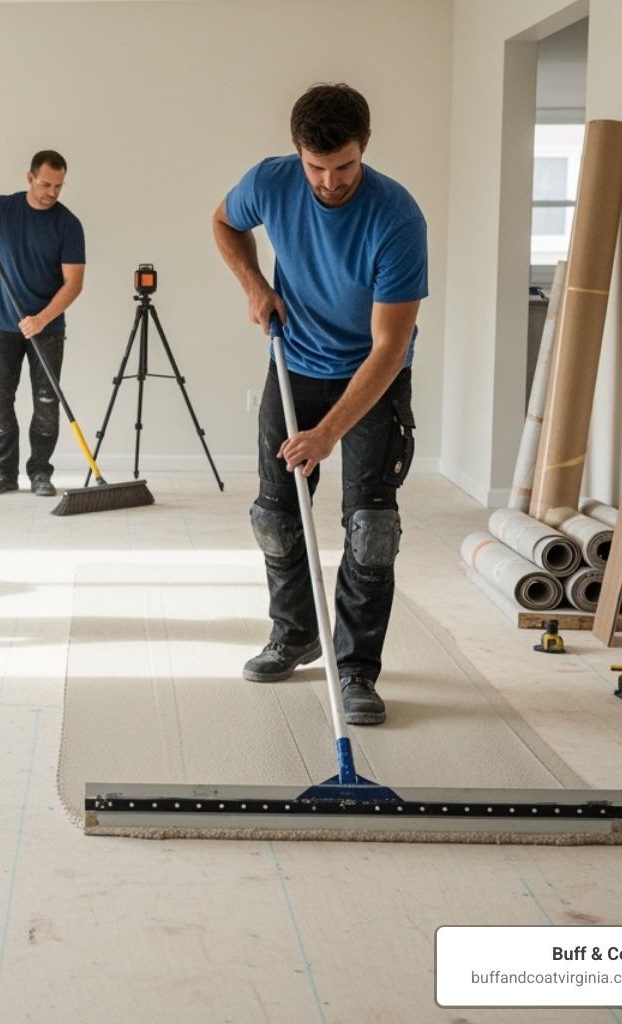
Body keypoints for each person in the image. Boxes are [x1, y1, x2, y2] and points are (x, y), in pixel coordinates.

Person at [212, 83, 426, 726]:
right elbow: (223, 220)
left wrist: (328, 433)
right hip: (293, 364)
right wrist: (254, 283)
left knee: (371, 529)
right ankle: (295, 633)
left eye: (345, 167)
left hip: (371, 378)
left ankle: (356, 670)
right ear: (297, 153)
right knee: (276, 515)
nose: (330, 182)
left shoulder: (397, 218)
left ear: (365, 149)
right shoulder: (270, 182)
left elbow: (389, 348)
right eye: (317, 167)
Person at [0, 151, 86, 497]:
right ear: (29, 178)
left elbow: (74, 283)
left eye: (58, 186)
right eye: (44, 184)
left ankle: (40, 472)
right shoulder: (4, 208)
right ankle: (3, 473)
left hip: (48, 327)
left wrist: (41, 319)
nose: (51, 192)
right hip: (3, 324)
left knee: (46, 401)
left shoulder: (67, 224)